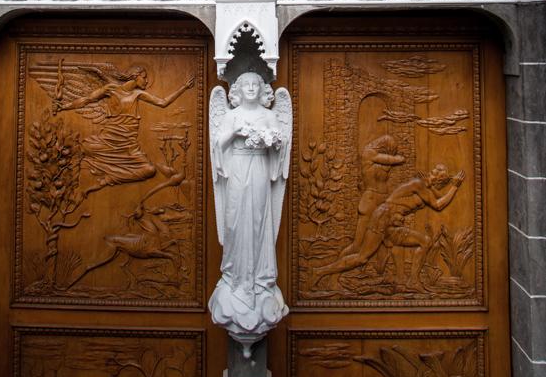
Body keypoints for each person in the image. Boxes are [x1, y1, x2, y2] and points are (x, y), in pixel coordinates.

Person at [208, 73, 291, 342]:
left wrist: (271, 141)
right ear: (239, 91)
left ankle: (258, 280)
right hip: (237, 171)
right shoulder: (232, 115)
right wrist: (235, 132)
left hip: (258, 172)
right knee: (235, 224)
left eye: (256, 85)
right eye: (247, 86)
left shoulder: (268, 116)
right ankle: (236, 278)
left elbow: (280, 145)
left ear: (262, 89)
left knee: (256, 223)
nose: (252, 89)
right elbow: (217, 145)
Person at [311, 164, 465, 288]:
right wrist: (455, 187)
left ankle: (409, 281)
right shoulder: (419, 184)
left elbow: (436, 196)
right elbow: (438, 205)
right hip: (383, 218)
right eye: (435, 175)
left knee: (423, 241)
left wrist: (449, 185)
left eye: (437, 177)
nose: (434, 178)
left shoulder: (425, 188)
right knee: (362, 257)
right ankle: (319, 272)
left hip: (390, 221)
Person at [58, 65, 195, 192]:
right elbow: (87, 99)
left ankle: (108, 179)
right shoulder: (111, 89)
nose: (146, 81)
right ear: (135, 76)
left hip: (129, 145)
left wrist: (184, 87)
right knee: (83, 149)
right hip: (108, 140)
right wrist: (64, 106)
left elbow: (163, 102)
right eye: (144, 77)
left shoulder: (138, 94)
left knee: (149, 170)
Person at [345, 135, 405, 256]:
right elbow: (395, 160)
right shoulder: (368, 153)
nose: (391, 153)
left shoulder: (379, 158)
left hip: (382, 201)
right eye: (391, 150)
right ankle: (333, 272)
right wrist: (397, 157)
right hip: (370, 200)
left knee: (380, 240)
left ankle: (378, 271)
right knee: (357, 246)